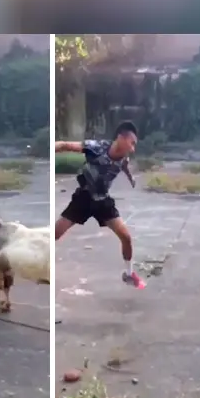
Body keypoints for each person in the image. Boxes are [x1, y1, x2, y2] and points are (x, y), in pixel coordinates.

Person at [54, 120, 145, 289]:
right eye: (131, 143)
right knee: (55, 234)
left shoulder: (124, 157)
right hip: (83, 198)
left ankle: (129, 273)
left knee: (126, 237)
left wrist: (131, 178)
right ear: (120, 138)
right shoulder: (96, 148)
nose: (132, 149)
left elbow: (124, 166)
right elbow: (66, 145)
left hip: (103, 200)